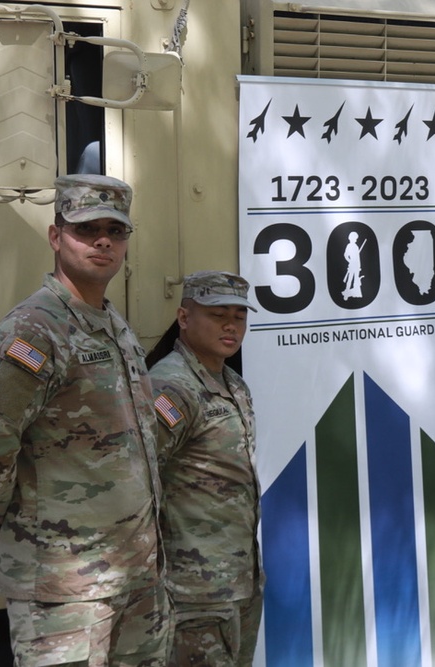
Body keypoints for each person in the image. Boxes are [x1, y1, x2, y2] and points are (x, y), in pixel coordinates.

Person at [0, 174, 170, 665]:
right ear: (55, 236)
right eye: (86, 229)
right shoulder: (34, 330)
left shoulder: (114, 325)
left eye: (116, 230)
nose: (103, 240)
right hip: (63, 589)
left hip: (133, 578)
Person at [149, 271, 262, 667]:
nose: (231, 325)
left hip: (237, 581)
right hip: (193, 591)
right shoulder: (171, 387)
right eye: (217, 314)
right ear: (184, 317)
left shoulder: (232, 383)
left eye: (239, 316)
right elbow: (141, 476)